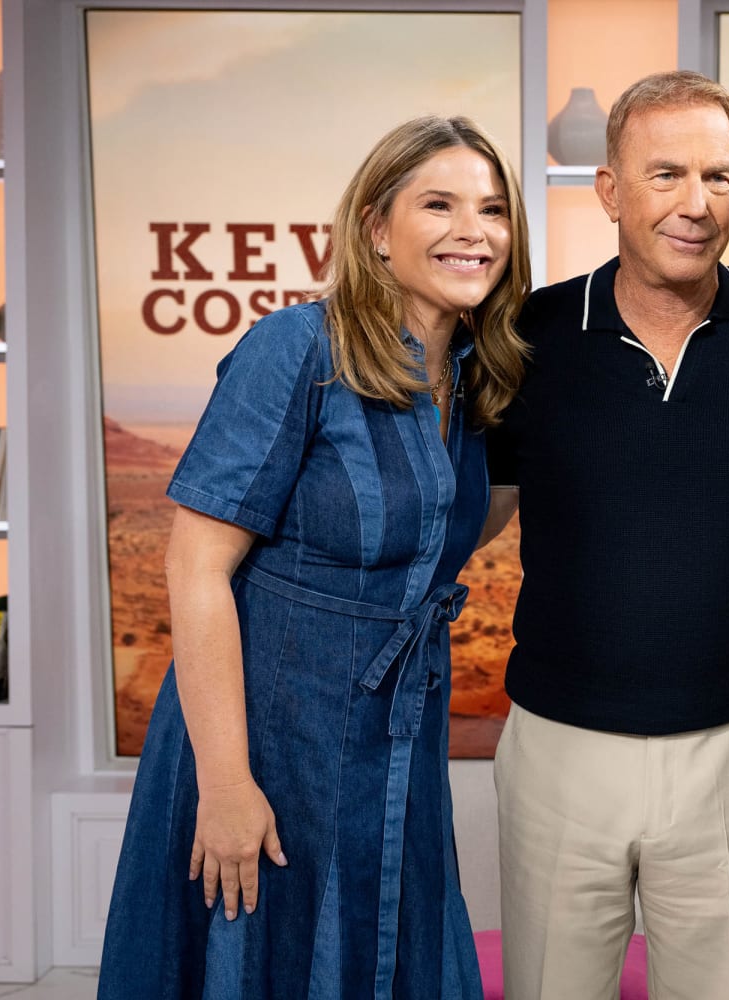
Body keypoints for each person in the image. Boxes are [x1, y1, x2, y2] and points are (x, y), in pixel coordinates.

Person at [96, 114, 531, 1000]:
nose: (473, 231)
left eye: (492, 210)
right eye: (439, 204)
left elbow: (438, 530)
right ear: (376, 229)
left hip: (397, 735)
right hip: (271, 736)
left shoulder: (476, 374)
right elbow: (196, 565)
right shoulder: (297, 348)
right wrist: (226, 785)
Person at [484, 71, 729, 1000]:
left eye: (718, 177)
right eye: (666, 174)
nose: (696, 203)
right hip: (559, 746)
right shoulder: (527, 334)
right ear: (609, 190)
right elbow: (472, 510)